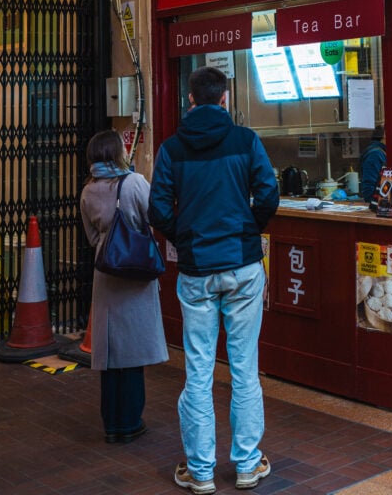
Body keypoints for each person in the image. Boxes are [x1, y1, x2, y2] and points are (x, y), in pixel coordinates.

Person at [149, 66, 279, 495]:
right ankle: (246, 465)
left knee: (198, 372)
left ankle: (201, 471)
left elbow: (158, 209)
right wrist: (248, 229)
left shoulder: (171, 149)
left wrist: (185, 238)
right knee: (244, 369)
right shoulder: (246, 140)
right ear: (225, 99)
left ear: (190, 100)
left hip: (196, 272)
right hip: (243, 267)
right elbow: (269, 193)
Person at [80, 129, 168, 443]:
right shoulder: (134, 183)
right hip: (137, 273)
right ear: (119, 153)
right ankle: (131, 421)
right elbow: (156, 215)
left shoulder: (88, 191)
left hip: (106, 275)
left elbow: (92, 238)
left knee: (111, 352)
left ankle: (112, 423)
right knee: (133, 353)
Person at [359, 127, 387, 206]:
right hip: (377, 206)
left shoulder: (382, 152)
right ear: (384, 136)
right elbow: (369, 188)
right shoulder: (375, 155)